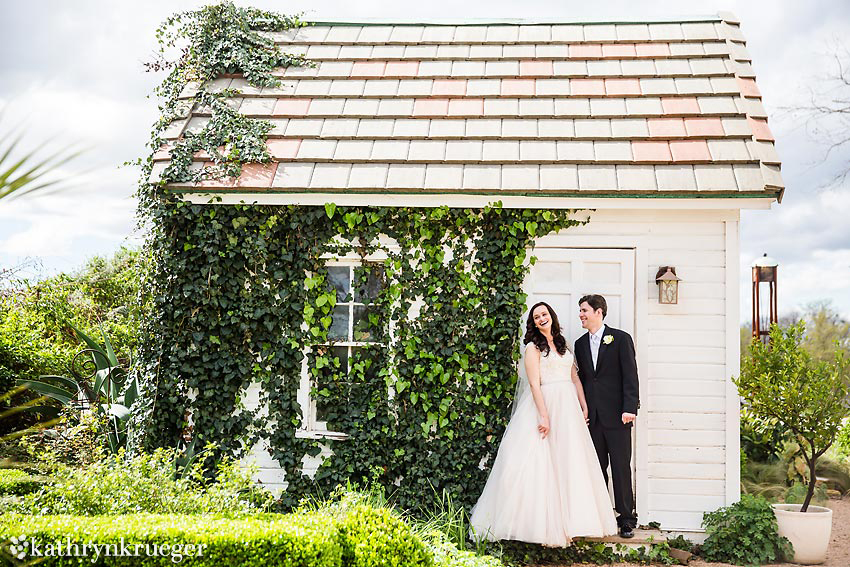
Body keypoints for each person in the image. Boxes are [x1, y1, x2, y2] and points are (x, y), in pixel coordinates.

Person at [469, 302, 617, 547]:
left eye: (544, 314)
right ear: (533, 323)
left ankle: (571, 523)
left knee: (568, 462)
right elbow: (535, 384)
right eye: (536, 317)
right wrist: (544, 416)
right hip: (546, 404)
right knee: (542, 465)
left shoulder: (562, 343)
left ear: (551, 316)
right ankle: (547, 527)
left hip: (568, 408)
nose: (541, 319)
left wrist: (584, 405)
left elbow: (574, 377)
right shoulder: (532, 348)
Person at [574, 294, 639, 538]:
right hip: (593, 419)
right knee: (596, 468)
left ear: (598, 312)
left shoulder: (621, 339)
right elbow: (583, 380)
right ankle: (601, 516)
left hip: (619, 416)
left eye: (584, 310)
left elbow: (630, 376)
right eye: (580, 311)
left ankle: (626, 519)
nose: (580, 315)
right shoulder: (580, 344)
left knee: (621, 467)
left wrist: (630, 408)